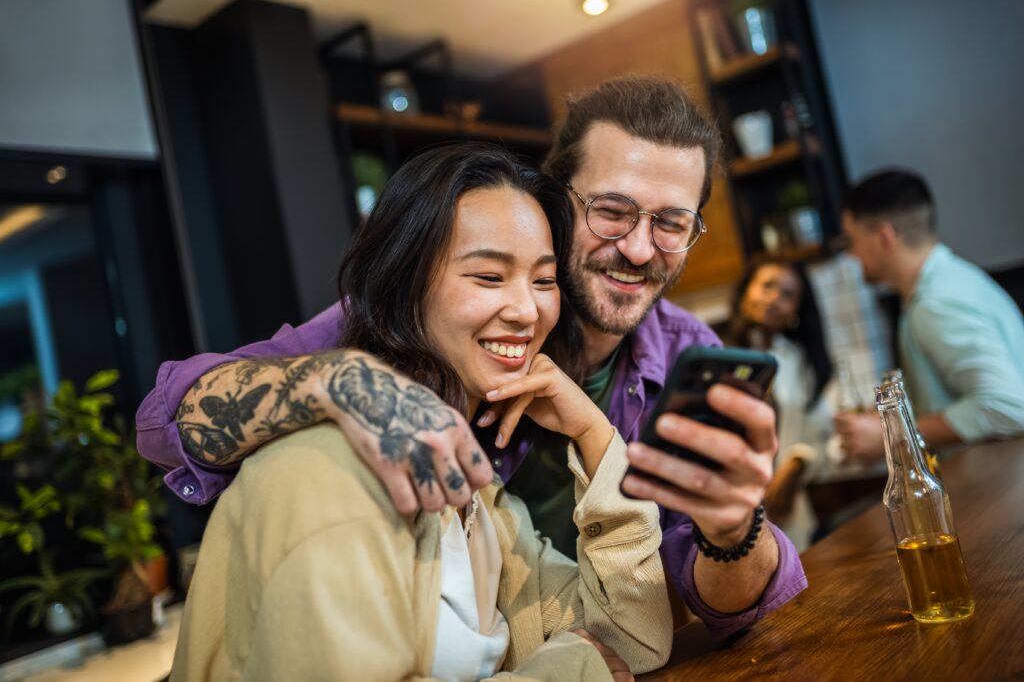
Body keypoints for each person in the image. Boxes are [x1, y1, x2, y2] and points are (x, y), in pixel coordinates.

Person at [138, 76, 806, 638]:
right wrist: (340, 376)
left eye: (670, 222)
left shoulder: (693, 357)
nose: (638, 248)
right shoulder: (423, 317)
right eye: (612, 211)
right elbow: (169, 417)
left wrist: (733, 529)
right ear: (557, 203)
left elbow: (712, 605)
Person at [172, 144, 671, 681]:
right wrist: (568, 670)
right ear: (404, 286)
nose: (527, 310)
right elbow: (589, 662)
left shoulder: (484, 506)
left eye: (544, 281)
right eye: (489, 276)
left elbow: (634, 642)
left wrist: (593, 431)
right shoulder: (328, 469)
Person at [836, 169, 1024, 462]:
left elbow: (1008, 406)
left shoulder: (937, 302)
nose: (851, 255)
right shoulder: (949, 281)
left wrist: (897, 433)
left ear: (884, 236)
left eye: (851, 241)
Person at [722, 259, 835, 550]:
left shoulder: (798, 360)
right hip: (731, 513)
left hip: (789, 514)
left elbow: (823, 437)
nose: (774, 298)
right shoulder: (716, 354)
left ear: (796, 310)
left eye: (787, 295)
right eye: (767, 286)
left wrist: (798, 463)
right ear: (746, 291)